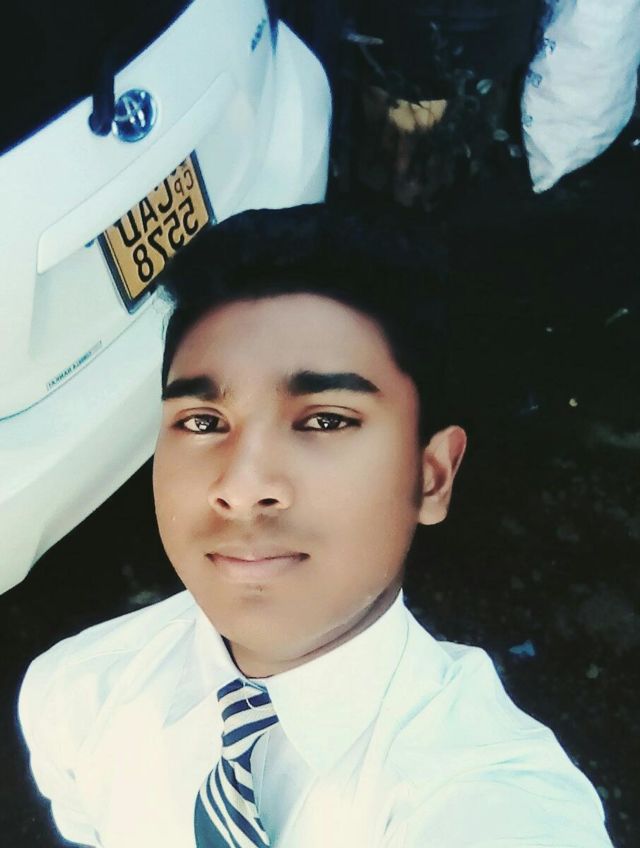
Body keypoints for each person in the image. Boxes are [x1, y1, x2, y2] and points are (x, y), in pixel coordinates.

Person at [18, 205, 613, 848]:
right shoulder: (77, 693)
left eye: (325, 420)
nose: (241, 487)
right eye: (203, 422)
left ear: (432, 477)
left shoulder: (486, 798)